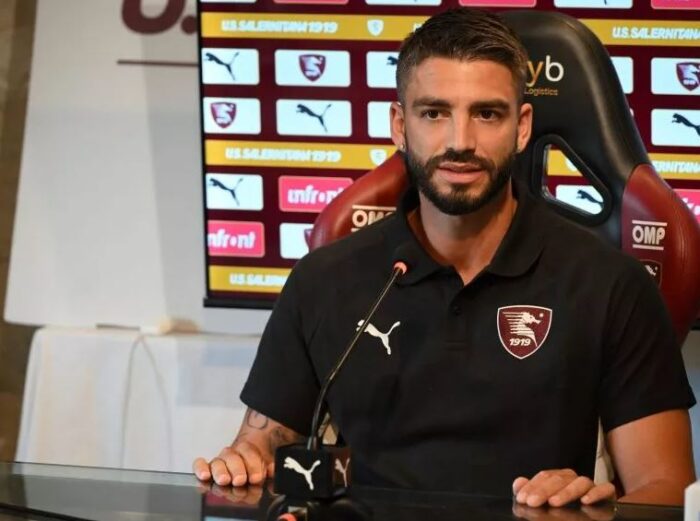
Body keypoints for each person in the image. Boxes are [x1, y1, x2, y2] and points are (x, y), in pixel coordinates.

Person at [194, 7, 696, 507]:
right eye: (434, 113)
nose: (460, 142)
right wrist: (244, 462)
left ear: (522, 127)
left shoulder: (610, 283)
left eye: (487, 114)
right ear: (399, 125)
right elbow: (259, 447)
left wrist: (594, 509)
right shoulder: (324, 279)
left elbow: (669, 490)